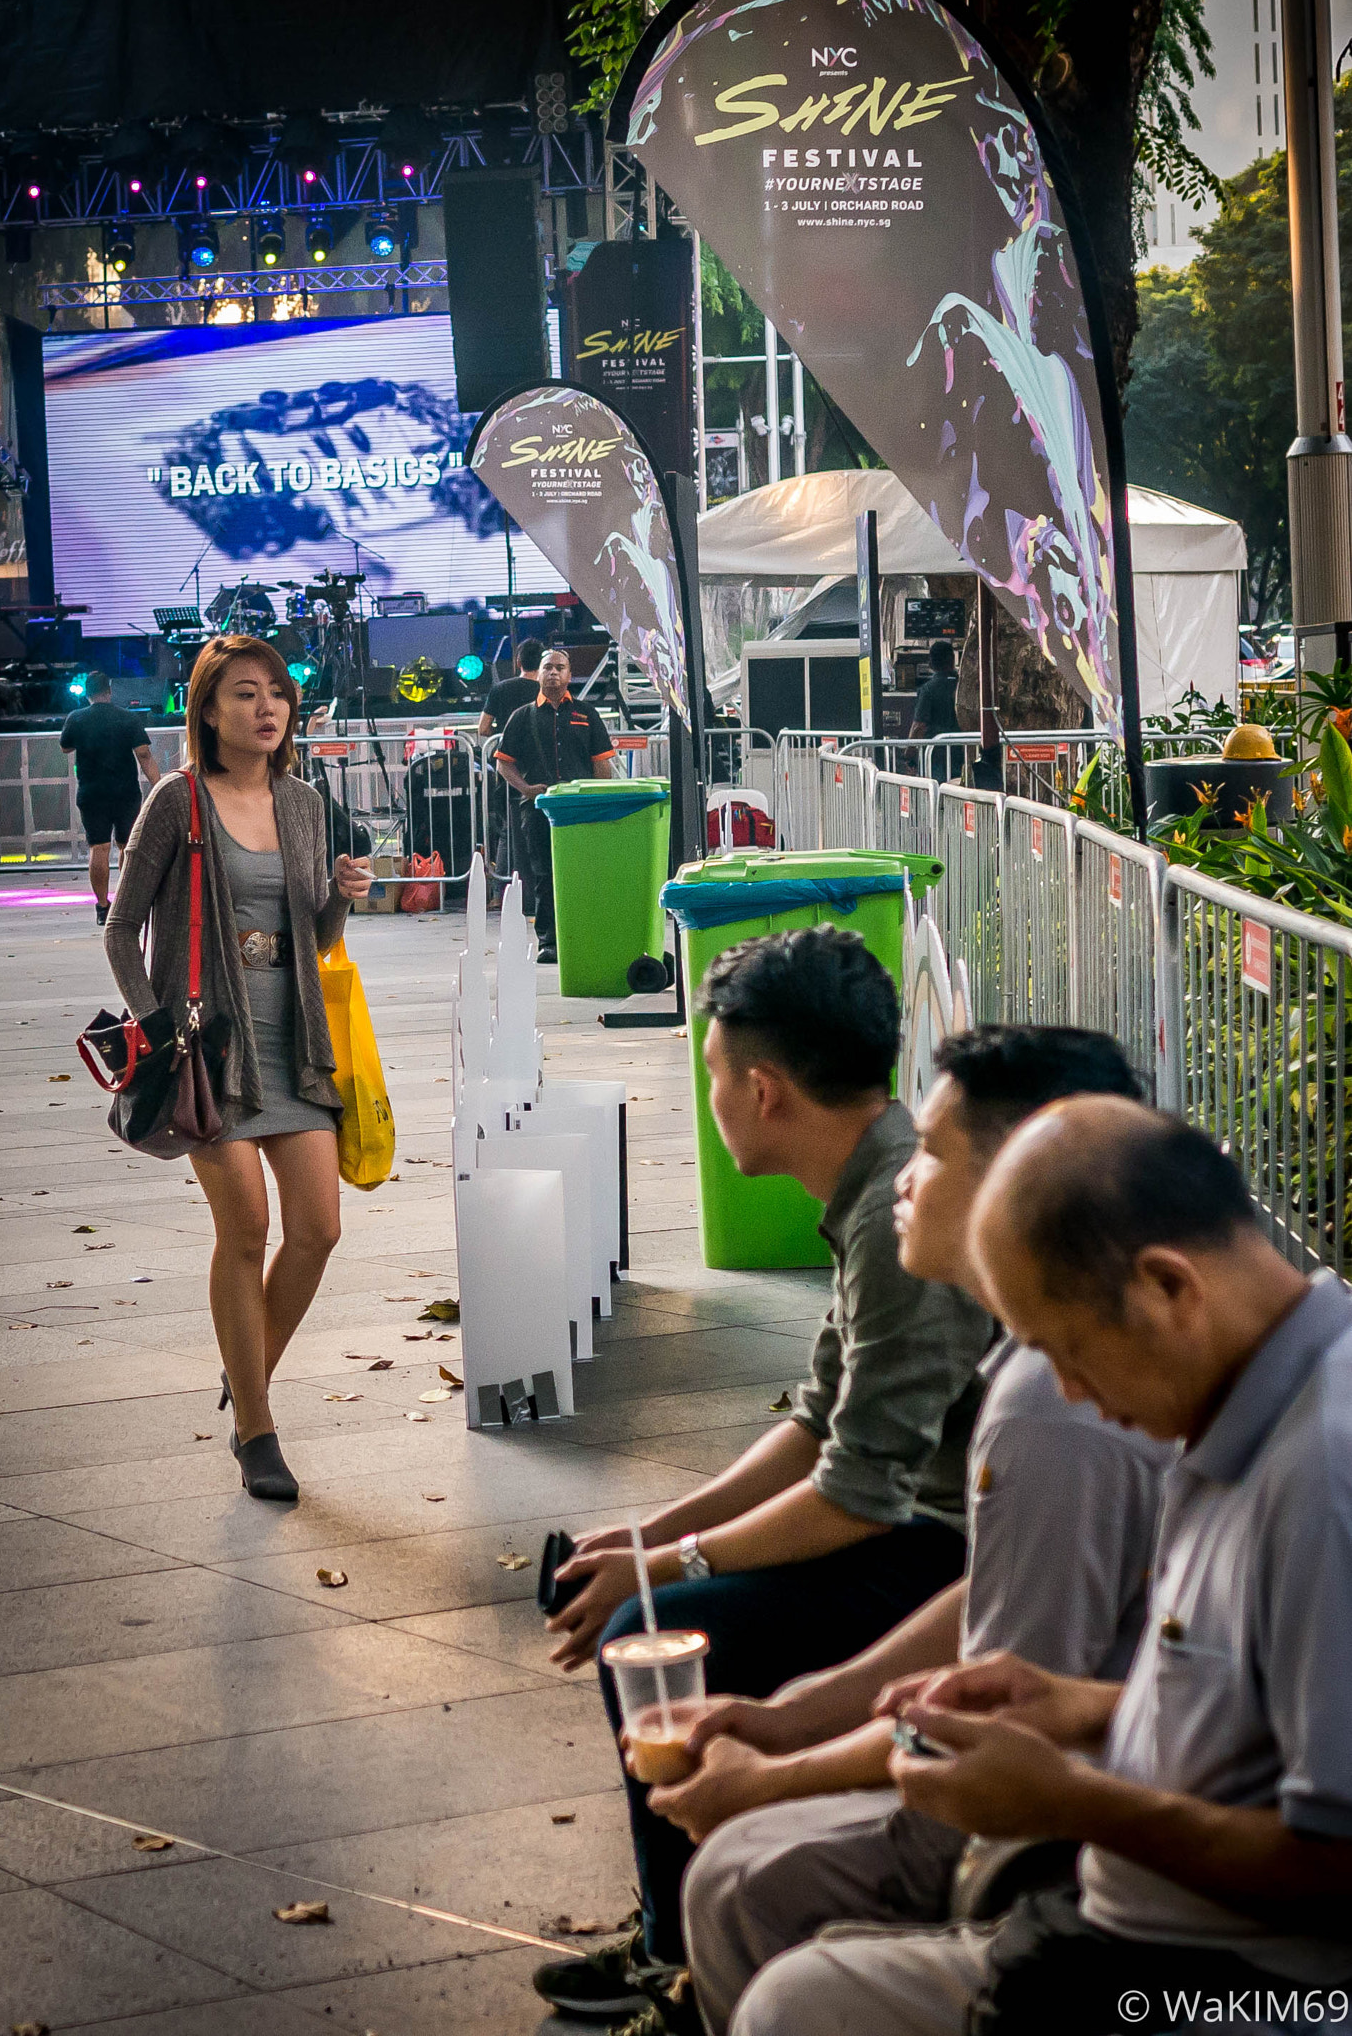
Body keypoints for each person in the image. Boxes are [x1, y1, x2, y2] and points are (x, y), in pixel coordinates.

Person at [729, 1098, 1352, 2036]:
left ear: (1166, 1289)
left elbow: (1333, 1858)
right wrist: (1077, 1705)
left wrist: (1070, 1799)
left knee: (795, 2004)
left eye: (1066, 1350)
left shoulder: (1323, 1476)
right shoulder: (1232, 1398)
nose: (1066, 1391)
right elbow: (1259, 1712)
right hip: (1133, 1930)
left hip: (1250, 1988)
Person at [660, 1028, 1171, 2036]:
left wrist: (775, 1767)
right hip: (1075, 1783)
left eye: (934, 1151)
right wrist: (801, 1713)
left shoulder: (1051, 1402)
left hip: (1073, 1855)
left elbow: (1016, 1709)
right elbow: (995, 1605)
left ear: (1022, 1182)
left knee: (743, 1885)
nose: (908, 1173)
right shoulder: (1044, 1368)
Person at [536, 927, 991, 2009]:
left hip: (955, 1551)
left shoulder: (897, 1209)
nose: (710, 1099)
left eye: (711, 1076)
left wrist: (666, 1566)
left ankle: (680, 1962)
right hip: (908, 1519)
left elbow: (859, 1491)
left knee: (654, 1634)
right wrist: (649, 1539)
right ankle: (684, 1925)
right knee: (654, 1604)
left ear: (765, 1086)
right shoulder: (874, 1177)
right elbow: (816, 1416)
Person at [103, 636, 372, 1503]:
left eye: (278, 695)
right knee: (247, 1227)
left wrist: (339, 895)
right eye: (245, 694)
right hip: (209, 1049)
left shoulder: (303, 803)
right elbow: (121, 929)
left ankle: (244, 1370)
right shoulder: (174, 802)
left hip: (292, 1044)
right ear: (208, 710)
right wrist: (158, 1029)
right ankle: (257, 1429)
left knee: (319, 1229)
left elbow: (317, 941)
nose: (266, 709)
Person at [495, 647, 614, 961]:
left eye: (559, 667)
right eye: (548, 667)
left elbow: (602, 764)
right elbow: (504, 764)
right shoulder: (522, 717)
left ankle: (588, 932)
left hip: (580, 810)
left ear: (569, 675)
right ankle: (550, 942)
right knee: (544, 875)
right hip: (539, 810)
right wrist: (527, 789)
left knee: (585, 872)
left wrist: (598, 800)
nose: (553, 673)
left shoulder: (587, 714)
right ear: (538, 673)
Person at [60, 669, 162, 923]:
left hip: (92, 793)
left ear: (87, 693)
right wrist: (159, 786)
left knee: (99, 847)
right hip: (125, 793)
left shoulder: (76, 718)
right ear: (110, 690)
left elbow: (65, 747)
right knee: (127, 846)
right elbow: (144, 755)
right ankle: (128, 904)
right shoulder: (127, 718)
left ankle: (103, 907)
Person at [478, 637, 544, 899]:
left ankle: (501, 893)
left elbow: (483, 728)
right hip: (540, 768)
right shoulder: (547, 691)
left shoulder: (501, 689)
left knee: (508, 828)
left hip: (508, 768)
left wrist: (504, 735)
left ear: (518, 661)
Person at [909, 640, 961, 783]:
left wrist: (910, 753)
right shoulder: (964, 686)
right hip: (963, 751)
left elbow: (919, 726)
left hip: (935, 756)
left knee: (936, 795)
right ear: (953, 659)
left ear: (931, 663)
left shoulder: (927, 690)